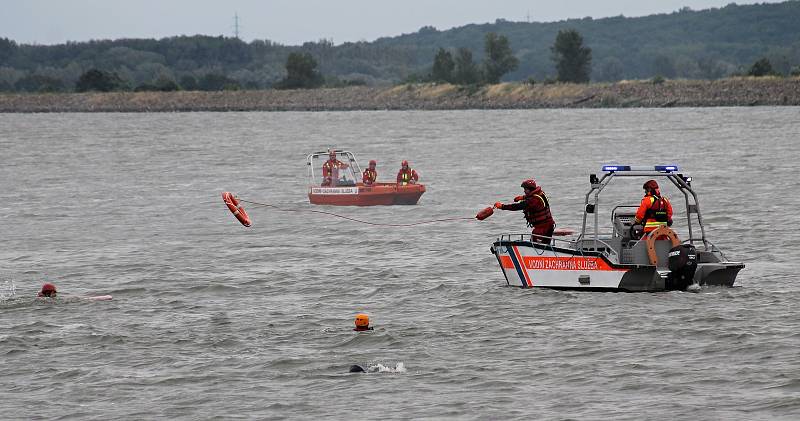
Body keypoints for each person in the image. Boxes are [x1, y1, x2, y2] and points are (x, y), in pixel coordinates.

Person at [494, 179, 556, 244]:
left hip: (543, 228)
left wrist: (502, 206)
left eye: (525, 189)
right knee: (543, 246)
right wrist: (523, 197)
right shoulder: (540, 193)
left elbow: (517, 206)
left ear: (530, 189)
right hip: (549, 225)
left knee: (536, 246)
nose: (524, 191)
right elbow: (532, 195)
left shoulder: (533, 201)